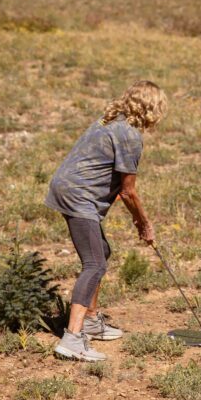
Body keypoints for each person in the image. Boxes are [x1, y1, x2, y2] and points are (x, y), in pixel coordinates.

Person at [45, 80, 167, 361]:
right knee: (95, 264)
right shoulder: (130, 136)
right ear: (152, 108)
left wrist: (137, 219)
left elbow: (116, 184)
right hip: (79, 196)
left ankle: (89, 318)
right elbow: (128, 191)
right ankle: (72, 338)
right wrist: (144, 224)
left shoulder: (109, 120)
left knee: (102, 252)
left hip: (67, 187)